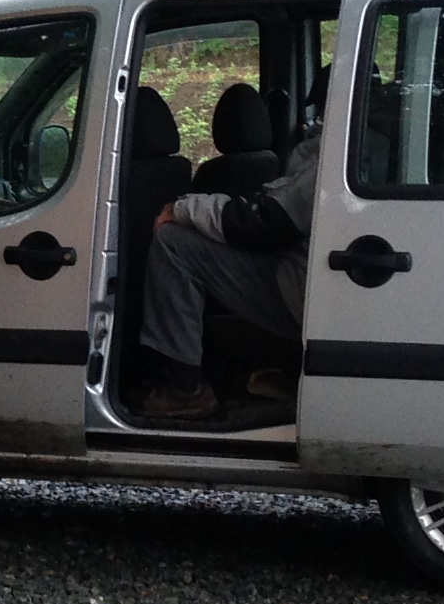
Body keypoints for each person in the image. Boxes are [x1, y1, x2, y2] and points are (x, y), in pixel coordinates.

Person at [135, 127, 321, 419]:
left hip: (302, 292)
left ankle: (184, 392)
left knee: (173, 242)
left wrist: (181, 209)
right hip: (310, 282)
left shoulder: (345, 140)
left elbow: (266, 220)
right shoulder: (373, 141)